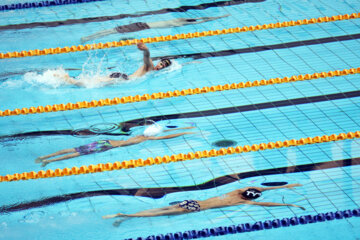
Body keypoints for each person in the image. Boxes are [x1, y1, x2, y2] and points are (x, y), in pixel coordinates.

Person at [103, 184, 305, 226]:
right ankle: (126, 216)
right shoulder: (241, 200)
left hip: (192, 201)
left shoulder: (235, 192)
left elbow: (254, 187)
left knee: (158, 210)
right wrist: (290, 206)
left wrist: (286, 185)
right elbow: (268, 204)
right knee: (157, 215)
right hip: (197, 208)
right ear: (251, 198)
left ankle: (125, 216)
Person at [35, 126, 195, 167]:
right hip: (106, 147)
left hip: (105, 142)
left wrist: (184, 129)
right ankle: (49, 162)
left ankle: (45, 156)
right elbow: (167, 135)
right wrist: (184, 133)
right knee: (77, 154)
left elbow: (164, 130)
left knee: (74, 149)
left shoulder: (140, 135)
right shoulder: (146, 139)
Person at [59, 42, 172, 87]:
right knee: (89, 85)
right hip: (123, 78)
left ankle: (67, 78)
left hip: (120, 76)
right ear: (159, 62)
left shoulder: (152, 70)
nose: (160, 66)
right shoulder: (151, 67)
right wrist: (146, 50)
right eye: (161, 63)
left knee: (94, 80)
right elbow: (147, 58)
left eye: (163, 66)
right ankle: (67, 79)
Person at [80, 15, 230, 43]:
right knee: (111, 31)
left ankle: (88, 37)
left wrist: (217, 18)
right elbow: (196, 22)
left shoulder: (176, 21)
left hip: (141, 25)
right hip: (140, 28)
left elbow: (196, 21)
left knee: (111, 31)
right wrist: (216, 18)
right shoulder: (178, 23)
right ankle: (88, 38)